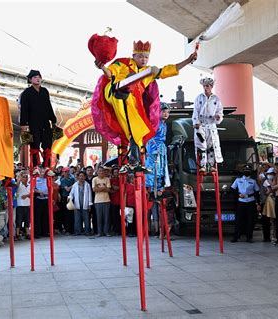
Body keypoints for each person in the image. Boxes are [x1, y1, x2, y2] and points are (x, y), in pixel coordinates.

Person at [93, 40, 197, 169]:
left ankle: (134, 161)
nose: (144, 59)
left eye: (146, 57)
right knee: (130, 111)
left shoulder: (149, 71)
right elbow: (110, 74)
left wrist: (187, 61)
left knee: (137, 131)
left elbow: (167, 70)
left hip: (132, 103)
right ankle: (128, 84)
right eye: (140, 56)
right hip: (115, 93)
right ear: (134, 55)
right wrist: (103, 67)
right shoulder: (122, 63)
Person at [20, 70, 57, 171]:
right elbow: (24, 109)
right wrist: (23, 124)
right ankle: (35, 166)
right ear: (30, 79)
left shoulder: (45, 91)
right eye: (35, 77)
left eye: (39, 77)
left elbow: (49, 106)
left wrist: (53, 120)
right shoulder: (26, 93)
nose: (37, 78)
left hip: (45, 123)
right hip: (33, 123)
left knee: (48, 145)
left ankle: (47, 167)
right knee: (34, 145)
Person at [145, 102, 171, 236]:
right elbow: (150, 137)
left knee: (161, 170)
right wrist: (153, 151)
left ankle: (159, 189)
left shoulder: (164, 124)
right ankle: (154, 189)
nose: (166, 114)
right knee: (154, 170)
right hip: (154, 148)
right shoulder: (155, 122)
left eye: (168, 112)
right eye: (164, 111)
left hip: (161, 148)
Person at [192, 77, 224, 173]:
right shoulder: (199, 97)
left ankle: (211, 165)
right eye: (204, 86)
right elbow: (195, 111)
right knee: (202, 145)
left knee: (211, 146)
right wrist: (196, 123)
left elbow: (220, 112)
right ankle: (203, 165)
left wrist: (218, 117)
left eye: (207, 86)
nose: (205, 88)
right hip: (201, 125)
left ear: (211, 87)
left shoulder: (216, 99)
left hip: (211, 125)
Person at [230, 164, 261, 243]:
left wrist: (258, 203)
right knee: (239, 220)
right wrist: (238, 194)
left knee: (250, 220)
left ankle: (249, 237)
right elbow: (232, 189)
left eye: (248, 171)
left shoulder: (253, 181)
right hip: (241, 202)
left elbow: (256, 192)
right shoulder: (238, 180)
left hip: (250, 202)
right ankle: (236, 237)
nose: (246, 172)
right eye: (245, 170)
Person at [69, 171, 93, 235]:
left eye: (83, 176)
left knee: (86, 219)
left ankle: (87, 231)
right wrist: (70, 199)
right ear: (78, 177)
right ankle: (77, 231)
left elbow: (90, 195)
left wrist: (90, 204)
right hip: (77, 205)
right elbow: (71, 194)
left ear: (85, 177)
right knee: (77, 219)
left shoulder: (87, 185)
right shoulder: (75, 185)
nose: (81, 177)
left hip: (85, 204)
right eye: (80, 176)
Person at [92, 166, 111, 236]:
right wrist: (104, 188)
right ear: (97, 172)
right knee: (99, 217)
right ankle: (99, 232)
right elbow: (94, 190)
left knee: (106, 217)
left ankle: (106, 232)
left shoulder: (107, 179)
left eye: (102, 171)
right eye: (100, 171)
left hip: (106, 200)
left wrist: (99, 188)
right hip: (97, 201)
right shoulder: (94, 179)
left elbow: (108, 189)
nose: (101, 172)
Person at [16, 172, 30, 240]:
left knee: (27, 220)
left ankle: (27, 233)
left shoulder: (29, 185)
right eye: (24, 177)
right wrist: (19, 178)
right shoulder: (19, 185)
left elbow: (32, 195)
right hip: (20, 205)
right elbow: (16, 186)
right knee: (19, 220)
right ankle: (17, 234)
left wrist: (27, 196)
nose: (25, 178)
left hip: (27, 204)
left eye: (26, 177)